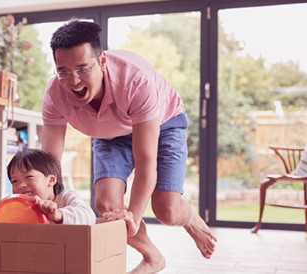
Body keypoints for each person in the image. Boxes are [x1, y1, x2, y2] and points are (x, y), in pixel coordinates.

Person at [40, 19, 217, 273]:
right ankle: (153, 257)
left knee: (166, 209)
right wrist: (45, 203)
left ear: (101, 62)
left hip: (163, 122)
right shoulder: (54, 95)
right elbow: (50, 166)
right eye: (63, 71)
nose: (73, 80)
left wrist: (133, 215)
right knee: (108, 206)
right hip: (110, 135)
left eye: (82, 68)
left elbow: (146, 165)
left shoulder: (135, 80)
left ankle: (188, 215)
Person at [7, 148, 96, 225]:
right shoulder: (19, 209)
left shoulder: (65, 198)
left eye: (29, 177)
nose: (21, 185)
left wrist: (59, 215)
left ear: (51, 180)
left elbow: (89, 216)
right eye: (14, 181)